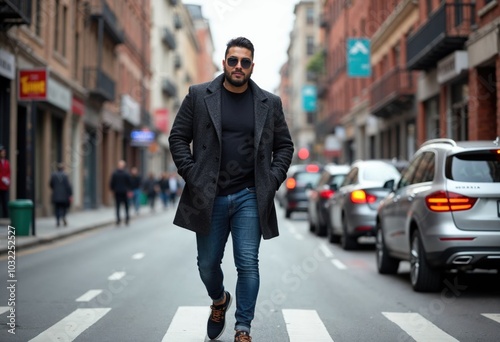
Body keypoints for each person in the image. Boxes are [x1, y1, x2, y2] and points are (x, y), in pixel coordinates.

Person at [168, 37, 294, 342]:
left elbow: (285, 146)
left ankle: (243, 329)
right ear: (224, 62)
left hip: (250, 195)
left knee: (248, 262)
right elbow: (177, 137)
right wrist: (192, 173)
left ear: (252, 66)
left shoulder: (269, 103)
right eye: (233, 60)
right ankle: (219, 300)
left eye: (245, 62)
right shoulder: (199, 96)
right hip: (208, 197)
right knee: (208, 264)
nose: (239, 66)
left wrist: (272, 180)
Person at [109, 160, 131, 225]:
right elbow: (129, 183)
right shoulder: (125, 173)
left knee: (120, 206)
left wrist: (113, 189)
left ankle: (122, 219)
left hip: (120, 192)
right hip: (121, 192)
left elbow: (111, 183)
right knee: (123, 206)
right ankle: (123, 219)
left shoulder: (115, 173)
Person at [0, 145, 11, 218]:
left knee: (5, 202)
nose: (4, 153)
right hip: (0, 185)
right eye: (2, 152)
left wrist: (7, 179)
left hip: (5, 186)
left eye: (4, 152)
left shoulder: (7, 163)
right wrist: (2, 178)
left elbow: (9, 172)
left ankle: (5, 216)